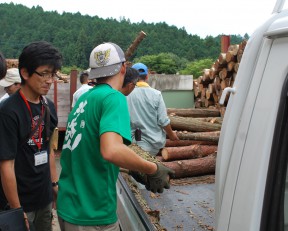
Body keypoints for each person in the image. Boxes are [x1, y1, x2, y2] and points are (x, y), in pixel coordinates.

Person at [57, 42, 174, 231]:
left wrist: (131, 166)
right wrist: (152, 169)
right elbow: (112, 151)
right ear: (123, 68)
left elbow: (90, 150)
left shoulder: (85, 98)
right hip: (92, 212)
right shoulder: (114, 97)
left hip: (69, 206)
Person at [0, 41, 62, 231]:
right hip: (19, 200)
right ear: (25, 73)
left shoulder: (48, 106)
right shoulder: (8, 111)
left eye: (52, 74)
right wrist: (16, 209)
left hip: (43, 197)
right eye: (44, 73)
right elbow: (5, 164)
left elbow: (48, 149)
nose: (49, 80)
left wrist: (53, 183)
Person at [126, 62, 179, 156]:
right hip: (152, 143)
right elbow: (163, 121)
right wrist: (171, 135)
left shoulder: (125, 94)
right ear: (147, 77)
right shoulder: (156, 94)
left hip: (130, 143)